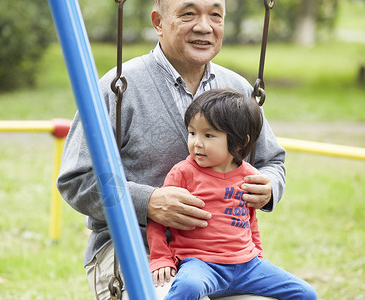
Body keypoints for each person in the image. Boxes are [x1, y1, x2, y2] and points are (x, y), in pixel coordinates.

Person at [57, 0, 286, 299]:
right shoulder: (119, 88)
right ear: (158, 22)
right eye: (188, 13)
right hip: (135, 247)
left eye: (215, 15)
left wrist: (269, 185)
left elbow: (272, 161)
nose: (204, 26)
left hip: (221, 257)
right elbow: (76, 179)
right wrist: (147, 201)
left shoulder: (237, 89)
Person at [147, 89, 317, 300]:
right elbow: (158, 220)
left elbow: (249, 220)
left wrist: (258, 255)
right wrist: (161, 258)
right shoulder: (183, 172)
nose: (196, 143)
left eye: (208, 135)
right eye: (192, 133)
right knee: (187, 287)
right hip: (201, 264)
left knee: (306, 293)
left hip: (247, 267)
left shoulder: (249, 175)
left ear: (239, 142)